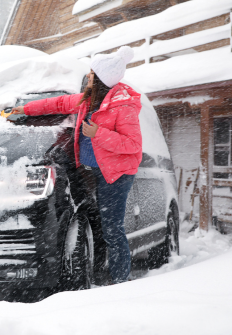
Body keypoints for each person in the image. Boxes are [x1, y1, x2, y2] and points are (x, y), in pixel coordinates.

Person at [12, 46, 142, 284]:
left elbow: (133, 145)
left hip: (116, 174)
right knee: (101, 225)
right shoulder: (89, 100)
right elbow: (60, 103)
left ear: (102, 79)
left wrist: (98, 133)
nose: (88, 76)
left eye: (92, 73)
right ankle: (106, 271)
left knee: (112, 228)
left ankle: (121, 281)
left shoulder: (123, 107)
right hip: (95, 170)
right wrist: (25, 109)